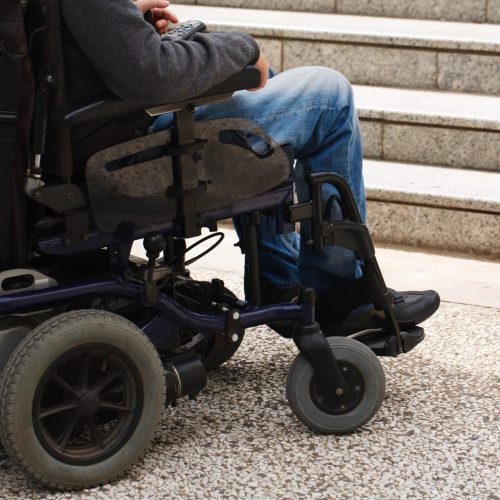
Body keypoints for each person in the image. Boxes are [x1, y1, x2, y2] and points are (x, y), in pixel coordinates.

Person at [58, 0, 440, 334]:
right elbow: (150, 73)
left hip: (89, 140)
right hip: (121, 155)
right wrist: (243, 46)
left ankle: (282, 278)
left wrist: (125, 21)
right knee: (329, 96)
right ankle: (340, 298)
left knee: (261, 85)